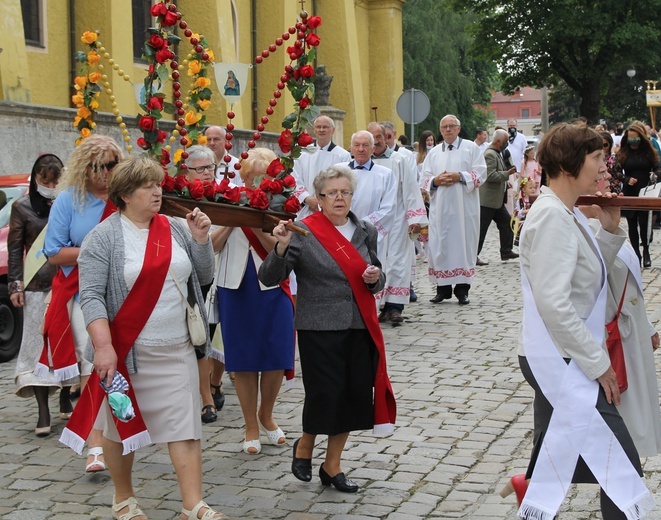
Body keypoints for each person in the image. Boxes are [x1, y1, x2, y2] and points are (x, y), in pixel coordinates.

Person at [504, 123, 653, 519]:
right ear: (570, 165)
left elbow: (587, 281)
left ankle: (531, 488)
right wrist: (598, 362)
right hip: (562, 356)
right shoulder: (553, 216)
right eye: (596, 158)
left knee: (561, 449)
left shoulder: (564, 213)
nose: (604, 166)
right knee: (619, 462)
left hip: (562, 351)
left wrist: (607, 230)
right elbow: (555, 303)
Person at [72, 154, 221, 520]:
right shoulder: (102, 237)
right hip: (127, 352)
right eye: (148, 186)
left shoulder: (174, 227)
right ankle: (124, 498)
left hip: (178, 346)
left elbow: (201, 277)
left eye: (158, 184)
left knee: (185, 426)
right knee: (119, 428)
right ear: (124, 194)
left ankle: (192, 504)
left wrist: (201, 240)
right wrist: (104, 347)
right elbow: (90, 296)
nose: (157, 191)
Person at [258, 165, 396, 493]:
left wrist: (376, 279)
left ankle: (332, 466)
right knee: (326, 394)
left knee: (353, 396)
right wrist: (279, 248)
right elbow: (268, 277)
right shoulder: (303, 232)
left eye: (344, 192)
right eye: (331, 193)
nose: (339, 198)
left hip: (359, 325)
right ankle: (305, 445)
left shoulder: (365, 230)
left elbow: (378, 277)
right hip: (318, 326)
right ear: (318, 198)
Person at [41, 134, 123, 474]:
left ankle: (123, 432)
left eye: (115, 164)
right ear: (87, 169)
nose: (110, 172)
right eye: (104, 166)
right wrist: (96, 251)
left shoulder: (126, 196)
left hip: (124, 290)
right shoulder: (68, 201)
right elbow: (54, 251)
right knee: (95, 366)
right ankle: (95, 447)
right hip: (82, 290)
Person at [211, 148, 295, 455]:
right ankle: (249, 425)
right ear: (244, 175)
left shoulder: (280, 203)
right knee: (244, 358)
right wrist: (234, 217)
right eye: (255, 176)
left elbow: (281, 249)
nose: (260, 182)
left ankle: (267, 415)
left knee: (276, 353)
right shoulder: (226, 197)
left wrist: (257, 220)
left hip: (271, 283)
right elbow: (212, 246)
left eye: (266, 176)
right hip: (234, 285)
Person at [10, 153, 72, 437]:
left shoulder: (68, 203)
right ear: (35, 179)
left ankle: (64, 395)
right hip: (36, 286)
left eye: (54, 180)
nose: (49, 184)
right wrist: (15, 285)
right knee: (37, 347)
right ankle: (43, 410)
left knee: (65, 342)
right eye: (44, 180)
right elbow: (14, 250)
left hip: (65, 282)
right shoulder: (22, 207)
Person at [420, 115, 487, 305]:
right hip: (440, 208)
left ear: (458, 129)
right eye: (444, 127)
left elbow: (481, 173)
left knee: (462, 246)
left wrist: (460, 176)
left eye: (451, 126)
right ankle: (442, 289)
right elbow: (424, 178)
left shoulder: (471, 148)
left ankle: (462, 290)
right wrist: (436, 181)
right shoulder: (433, 153)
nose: (448, 130)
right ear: (440, 130)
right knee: (441, 246)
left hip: (464, 208)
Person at [368, 122, 427, 325]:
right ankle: (376, 306)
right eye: (371, 137)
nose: (375, 141)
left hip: (397, 220)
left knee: (397, 263)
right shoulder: (361, 162)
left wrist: (415, 219)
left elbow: (410, 190)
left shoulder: (399, 160)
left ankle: (394, 307)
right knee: (374, 263)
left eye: (378, 136)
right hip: (371, 222)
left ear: (386, 137)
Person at [183, 145, 222, 423]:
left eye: (211, 168)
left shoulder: (222, 197)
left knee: (207, 335)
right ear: (186, 174)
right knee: (195, 336)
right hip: (187, 275)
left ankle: (209, 392)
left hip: (218, 272)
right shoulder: (178, 199)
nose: (207, 173)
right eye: (201, 169)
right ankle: (198, 395)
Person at [337, 130, 397, 260]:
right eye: (357, 145)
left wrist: (362, 226)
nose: (361, 149)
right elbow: (326, 200)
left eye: (365, 145)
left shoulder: (386, 175)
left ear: (373, 148)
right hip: (340, 232)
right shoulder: (337, 171)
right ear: (351, 148)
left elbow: (389, 208)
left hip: (369, 234)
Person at [614, 121, 660, 267]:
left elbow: (658, 167)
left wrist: (655, 176)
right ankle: (636, 253)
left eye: (635, 138)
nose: (633, 141)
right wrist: (626, 179)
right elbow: (616, 171)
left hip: (645, 190)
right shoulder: (624, 153)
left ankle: (646, 250)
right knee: (632, 224)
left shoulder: (648, 152)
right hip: (630, 191)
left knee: (644, 223)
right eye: (631, 138)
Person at [293, 115, 351, 219]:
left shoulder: (343, 155)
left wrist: (325, 201)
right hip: (306, 208)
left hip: (331, 209)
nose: (321, 130)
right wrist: (307, 198)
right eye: (318, 127)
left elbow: (344, 183)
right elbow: (295, 178)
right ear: (314, 130)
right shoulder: (303, 152)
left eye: (325, 127)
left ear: (332, 130)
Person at [477, 129, 518, 263]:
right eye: (505, 141)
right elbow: (489, 175)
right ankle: (472, 255)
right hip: (488, 200)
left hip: (496, 200)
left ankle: (506, 251)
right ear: (499, 141)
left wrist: (506, 181)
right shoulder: (490, 154)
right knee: (481, 229)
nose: (506, 144)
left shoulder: (496, 153)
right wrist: (507, 174)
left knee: (507, 222)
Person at [512, 177, 535, 247]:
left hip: (533, 223)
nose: (533, 190)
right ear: (524, 190)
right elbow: (517, 213)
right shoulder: (521, 201)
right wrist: (525, 211)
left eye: (534, 188)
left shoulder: (535, 200)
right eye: (530, 188)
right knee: (523, 243)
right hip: (523, 224)